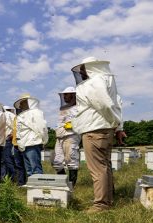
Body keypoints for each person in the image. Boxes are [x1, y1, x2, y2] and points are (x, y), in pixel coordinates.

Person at [71, 57, 126, 213]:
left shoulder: (94, 82)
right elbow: (115, 105)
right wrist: (116, 126)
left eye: (83, 70)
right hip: (103, 130)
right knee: (105, 166)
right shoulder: (105, 81)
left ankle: (101, 205)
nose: (81, 73)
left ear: (90, 69)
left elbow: (105, 105)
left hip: (94, 130)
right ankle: (107, 199)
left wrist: (113, 123)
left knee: (97, 169)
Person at [51, 87, 81, 187]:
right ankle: (64, 183)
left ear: (73, 95)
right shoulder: (63, 108)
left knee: (71, 161)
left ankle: (71, 187)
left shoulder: (79, 107)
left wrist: (74, 124)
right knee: (56, 162)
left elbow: (82, 122)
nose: (64, 97)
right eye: (63, 95)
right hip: (60, 137)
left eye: (66, 94)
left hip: (71, 136)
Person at [13, 93, 48, 177]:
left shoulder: (36, 112)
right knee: (28, 170)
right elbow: (19, 131)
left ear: (29, 102)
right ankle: (32, 188)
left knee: (35, 168)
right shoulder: (21, 116)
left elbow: (41, 128)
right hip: (24, 145)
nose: (20, 106)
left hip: (33, 143)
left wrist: (44, 140)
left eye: (22, 103)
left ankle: (38, 188)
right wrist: (20, 144)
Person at [12, 106, 27, 186]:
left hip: (24, 144)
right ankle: (21, 182)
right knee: (18, 165)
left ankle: (30, 182)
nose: (18, 110)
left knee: (26, 164)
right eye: (17, 109)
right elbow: (14, 130)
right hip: (15, 144)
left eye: (20, 109)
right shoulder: (15, 118)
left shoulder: (26, 117)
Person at [1, 105, 16, 181]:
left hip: (7, 140)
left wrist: (11, 135)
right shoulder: (11, 115)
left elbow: (14, 127)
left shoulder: (7, 115)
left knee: (7, 159)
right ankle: (5, 178)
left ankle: (12, 177)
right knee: (5, 160)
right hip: (7, 140)